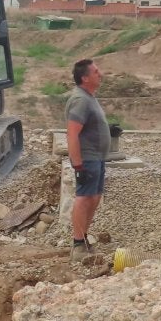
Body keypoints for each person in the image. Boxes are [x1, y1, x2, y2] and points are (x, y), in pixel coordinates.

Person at [65, 59, 110, 258]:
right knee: (84, 198)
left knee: (94, 197)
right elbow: (72, 133)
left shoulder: (90, 98)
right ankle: (78, 245)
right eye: (95, 72)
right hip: (87, 158)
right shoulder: (81, 100)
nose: (100, 74)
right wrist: (78, 166)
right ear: (85, 78)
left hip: (97, 157)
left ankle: (83, 239)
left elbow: (89, 125)